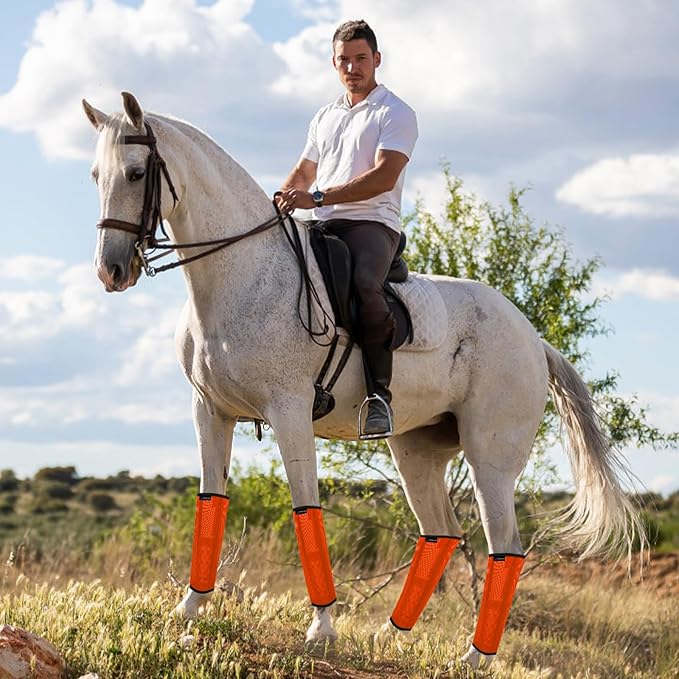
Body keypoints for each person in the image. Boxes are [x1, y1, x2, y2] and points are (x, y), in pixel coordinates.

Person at [276, 19, 418, 438]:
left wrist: (318, 198)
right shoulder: (325, 115)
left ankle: (379, 398)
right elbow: (303, 172)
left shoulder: (396, 112)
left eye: (360, 59)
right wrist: (279, 202)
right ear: (333, 64)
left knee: (363, 285)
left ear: (376, 60)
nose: (352, 68)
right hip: (323, 222)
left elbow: (383, 177)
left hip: (372, 223)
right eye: (344, 61)